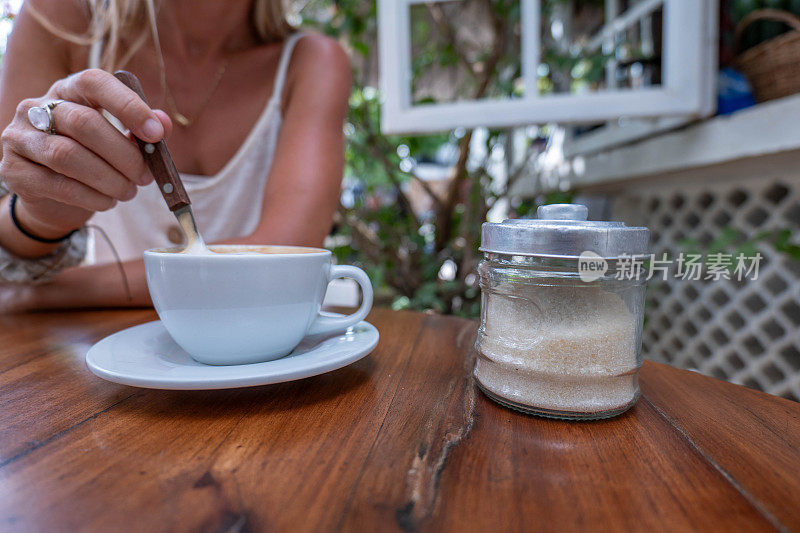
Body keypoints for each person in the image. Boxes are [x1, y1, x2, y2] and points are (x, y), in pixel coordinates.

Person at [0, 0, 351, 311]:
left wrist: (42, 294)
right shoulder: (59, 20)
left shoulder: (313, 61)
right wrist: (41, 219)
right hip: (105, 364)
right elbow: (8, 238)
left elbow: (286, 256)